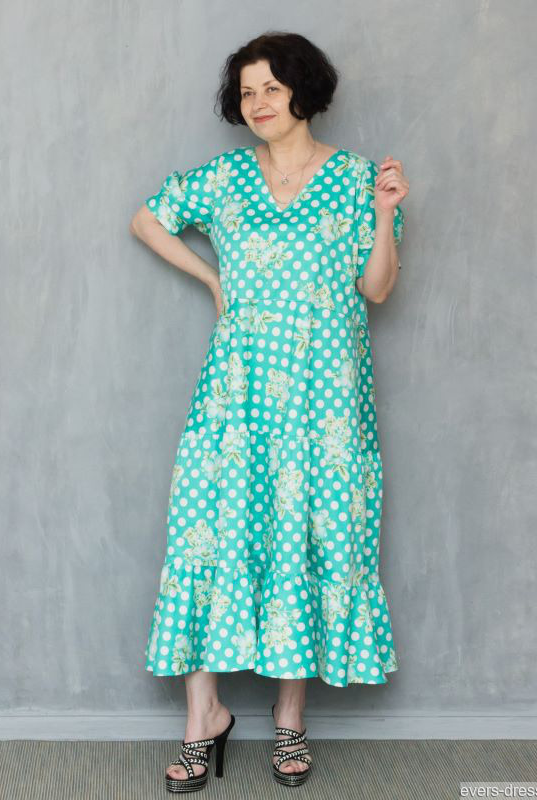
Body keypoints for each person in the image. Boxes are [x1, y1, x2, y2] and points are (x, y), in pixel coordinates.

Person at [130, 30, 409, 792]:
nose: (257, 103)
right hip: (238, 394)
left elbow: (378, 288)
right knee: (208, 531)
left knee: (309, 536)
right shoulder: (225, 178)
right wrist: (212, 280)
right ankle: (204, 717)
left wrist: (386, 213)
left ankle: (290, 718)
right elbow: (148, 219)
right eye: (246, 92)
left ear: (302, 91)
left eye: (271, 88)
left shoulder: (358, 178)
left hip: (325, 400)